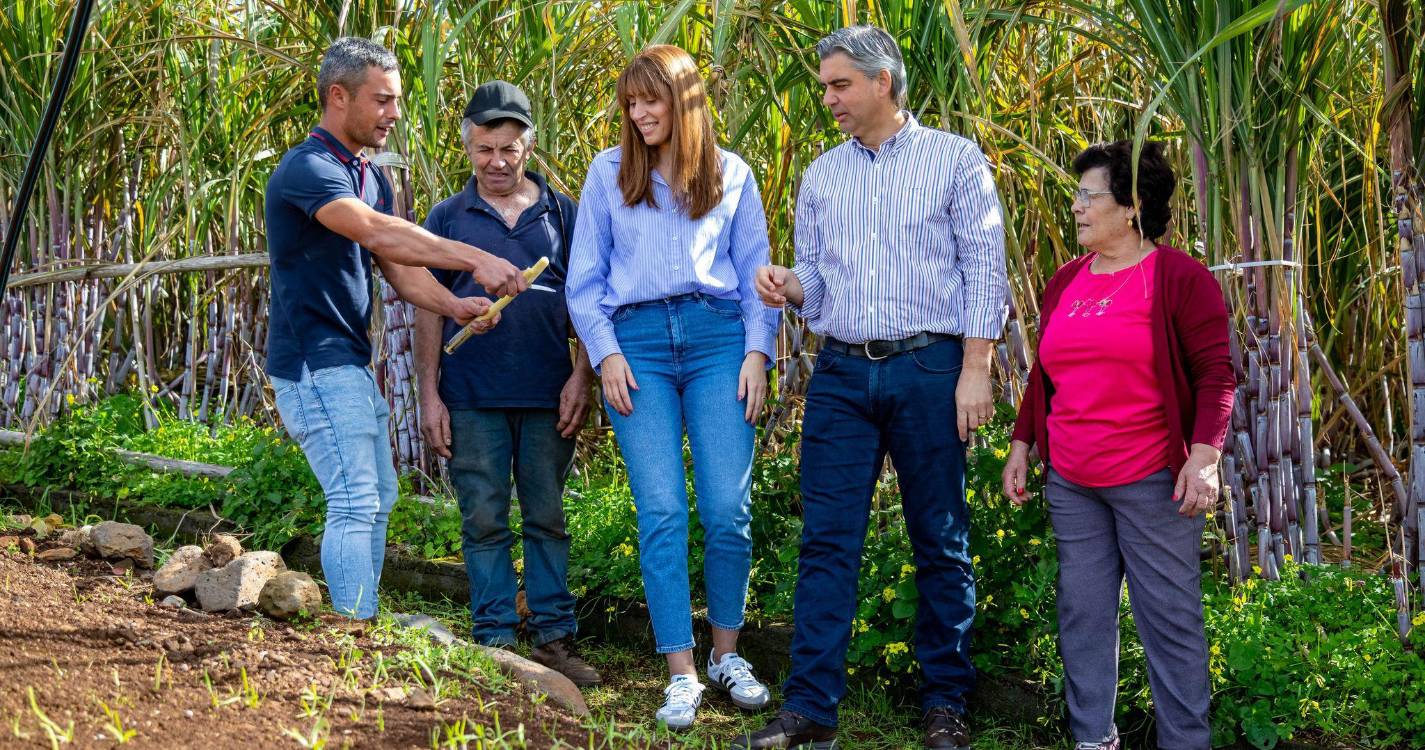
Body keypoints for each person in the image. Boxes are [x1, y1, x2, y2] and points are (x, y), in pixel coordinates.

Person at [737, 25, 1007, 750]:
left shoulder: (955, 161)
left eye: (838, 85)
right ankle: (809, 711)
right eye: (825, 86)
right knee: (826, 541)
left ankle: (945, 705)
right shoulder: (822, 174)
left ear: (881, 81)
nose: (827, 98)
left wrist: (975, 370)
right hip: (842, 371)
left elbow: (985, 270)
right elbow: (817, 279)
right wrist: (790, 285)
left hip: (930, 368)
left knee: (939, 538)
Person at [264, 38, 527, 620]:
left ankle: (361, 620)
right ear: (339, 96)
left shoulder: (369, 177)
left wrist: (457, 308)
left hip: (347, 363)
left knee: (378, 496)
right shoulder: (308, 170)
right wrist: (474, 259)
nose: (395, 113)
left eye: (397, 100)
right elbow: (381, 236)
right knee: (355, 498)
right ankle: (355, 631)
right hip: (314, 364)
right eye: (382, 100)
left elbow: (402, 274)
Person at [564, 44, 781, 731]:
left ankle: (726, 655)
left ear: (683, 101)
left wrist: (757, 354)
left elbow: (758, 276)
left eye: (650, 99)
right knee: (660, 510)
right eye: (630, 102)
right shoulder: (607, 173)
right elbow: (583, 282)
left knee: (726, 509)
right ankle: (680, 672)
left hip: (719, 339)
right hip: (638, 350)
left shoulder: (731, 174)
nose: (638, 112)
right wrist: (604, 356)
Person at [1000, 140, 1233, 750]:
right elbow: (1044, 375)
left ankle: (1185, 741)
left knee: (1169, 620)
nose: (1075, 206)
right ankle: (1092, 740)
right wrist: (1023, 443)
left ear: (1132, 207)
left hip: (1153, 479)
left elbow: (1216, 374)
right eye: (1076, 195)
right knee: (1083, 616)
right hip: (1073, 479)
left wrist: (1204, 457)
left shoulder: (1180, 278)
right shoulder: (1065, 282)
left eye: (1088, 195)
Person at [413, 80, 600, 686]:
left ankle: (553, 638)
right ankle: (493, 637)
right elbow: (426, 308)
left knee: (547, 516)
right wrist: (429, 394)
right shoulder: (446, 218)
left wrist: (582, 377)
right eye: (483, 150)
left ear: (529, 146)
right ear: (467, 147)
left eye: (508, 150)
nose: (496, 163)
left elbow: (589, 301)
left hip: (549, 397)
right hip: (471, 398)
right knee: (483, 518)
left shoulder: (565, 214)